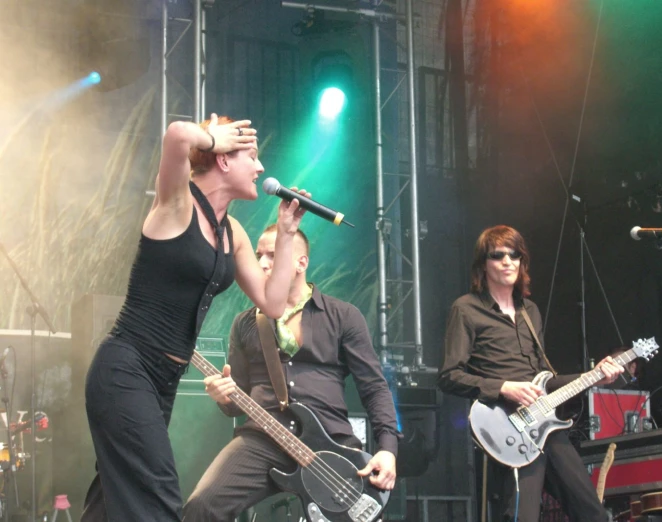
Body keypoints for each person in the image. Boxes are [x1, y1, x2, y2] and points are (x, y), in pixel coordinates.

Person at [82, 114, 310, 522]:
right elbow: (175, 134)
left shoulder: (233, 232)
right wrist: (212, 136)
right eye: (252, 158)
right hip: (125, 369)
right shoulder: (176, 202)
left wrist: (288, 233)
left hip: (161, 383)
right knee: (158, 497)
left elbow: (273, 303)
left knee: (110, 503)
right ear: (223, 159)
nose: (260, 169)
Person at [182, 224, 400, 521]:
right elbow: (236, 400)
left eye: (272, 254)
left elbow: (374, 388)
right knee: (201, 507)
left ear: (301, 262)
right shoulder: (246, 323)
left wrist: (388, 449)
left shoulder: (343, 316)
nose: (261, 263)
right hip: (263, 439)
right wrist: (222, 396)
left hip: (330, 445)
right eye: (258, 255)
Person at [437, 225, 624, 522]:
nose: (507, 261)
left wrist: (594, 376)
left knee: (592, 512)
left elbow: (544, 380)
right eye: (497, 255)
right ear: (483, 264)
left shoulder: (530, 311)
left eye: (515, 254)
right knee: (522, 515)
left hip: (545, 426)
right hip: (506, 428)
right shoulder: (466, 309)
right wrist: (503, 387)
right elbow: (449, 376)